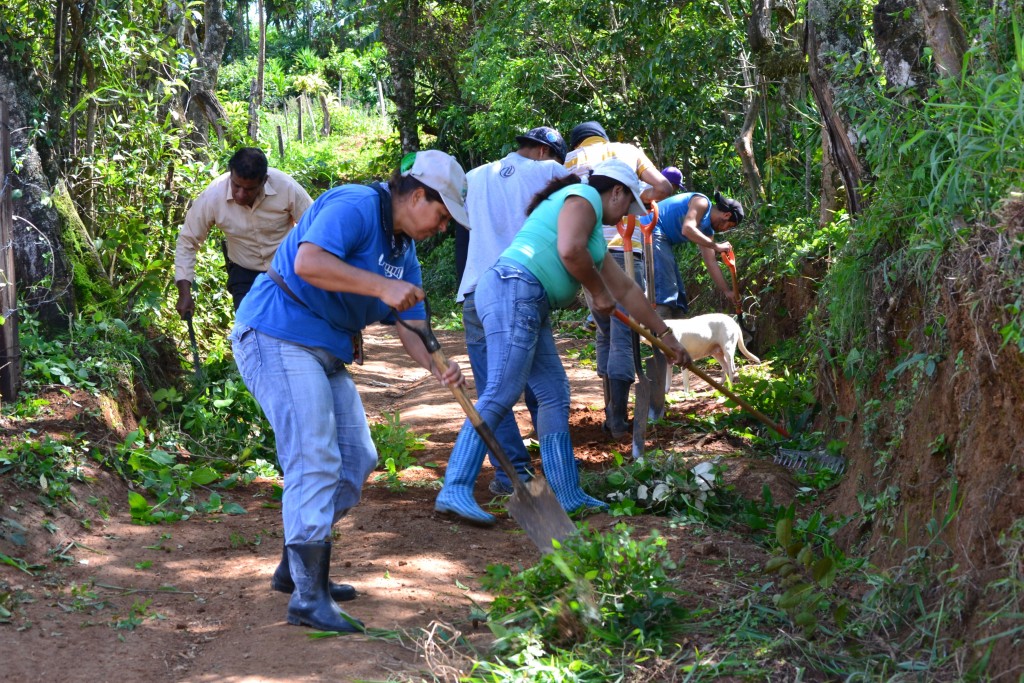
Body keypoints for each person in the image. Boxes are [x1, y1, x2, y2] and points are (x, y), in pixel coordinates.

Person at [229, 150, 469, 633]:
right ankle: (308, 598)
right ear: (418, 195)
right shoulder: (355, 205)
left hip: (326, 349)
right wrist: (380, 288)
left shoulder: (404, 252)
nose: (442, 228)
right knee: (314, 458)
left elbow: (412, 322)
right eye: (442, 216)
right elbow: (309, 262)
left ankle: (295, 569)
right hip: (278, 334)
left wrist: (437, 365)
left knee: (357, 459)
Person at [434, 159, 691, 525]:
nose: (623, 218)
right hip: (514, 288)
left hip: (528, 298)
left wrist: (666, 337)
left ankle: (567, 492)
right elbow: (569, 251)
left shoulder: (594, 237)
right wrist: (597, 292)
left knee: (554, 392)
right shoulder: (583, 196)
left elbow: (628, 290)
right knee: (502, 391)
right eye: (625, 206)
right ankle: (455, 485)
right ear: (615, 191)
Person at [459, 126, 570, 496]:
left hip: (476, 290)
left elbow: (461, 230)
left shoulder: (473, 176)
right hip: (521, 285)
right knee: (543, 385)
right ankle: (556, 470)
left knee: (494, 389)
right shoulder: (550, 171)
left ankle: (512, 474)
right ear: (542, 151)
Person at [564, 121, 674, 437]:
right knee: (625, 334)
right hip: (626, 254)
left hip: (587, 252)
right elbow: (663, 188)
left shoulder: (569, 160)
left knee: (605, 332)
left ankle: (611, 408)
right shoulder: (627, 151)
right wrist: (635, 198)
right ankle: (617, 420)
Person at [174, 147, 312, 316]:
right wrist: (184, 292)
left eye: (249, 189)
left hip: (289, 268)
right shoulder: (213, 196)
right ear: (230, 174)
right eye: (236, 185)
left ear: (264, 181)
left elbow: (315, 228)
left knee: (296, 324)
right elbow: (188, 240)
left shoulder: (286, 187)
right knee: (248, 330)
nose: (240, 195)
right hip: (244, 273)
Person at [643, 190, 745, 318]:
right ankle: (659, 331)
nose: (725, 230)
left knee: (679, 295)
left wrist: (727, 291)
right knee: (666, 290)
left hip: (661, 238)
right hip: (649, 230)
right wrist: (716, 246)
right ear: (726, 215)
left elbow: (711, 262)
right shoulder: (701, 202)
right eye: (729, 226)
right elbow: (687, 229)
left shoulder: (707, 230)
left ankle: (676, 331)